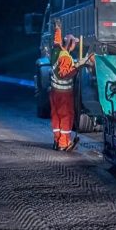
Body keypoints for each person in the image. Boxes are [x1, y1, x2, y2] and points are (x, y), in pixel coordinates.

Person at [50, 20, 88, 151]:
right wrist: (77, 67)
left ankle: (57, 141)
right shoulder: (66, 57)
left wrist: (58, 29)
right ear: (70, 44)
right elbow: (64, 74)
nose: (75, 46)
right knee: (66, 116)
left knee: (56, 116)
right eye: (74, 44)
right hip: (64, 94)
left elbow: (56, 42)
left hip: (54, 92)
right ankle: (63, 144)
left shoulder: (56, 51)